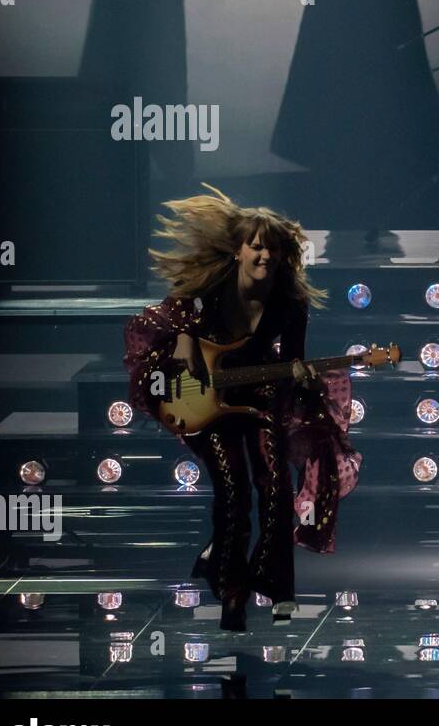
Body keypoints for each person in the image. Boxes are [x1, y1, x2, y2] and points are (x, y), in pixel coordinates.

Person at [123, 184, 361, 631]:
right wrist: (187, 342)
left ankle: (270, 584)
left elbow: (293, 357)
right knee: (233, 492)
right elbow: (172, 318)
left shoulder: (291, 302)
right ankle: (231, 589)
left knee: (273, 488)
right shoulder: (211, 288)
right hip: (205, 404)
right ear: (239, 250)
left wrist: (300, 377)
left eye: (272, 248)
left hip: (258, 399)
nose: (264, 256)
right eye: (256, 247)